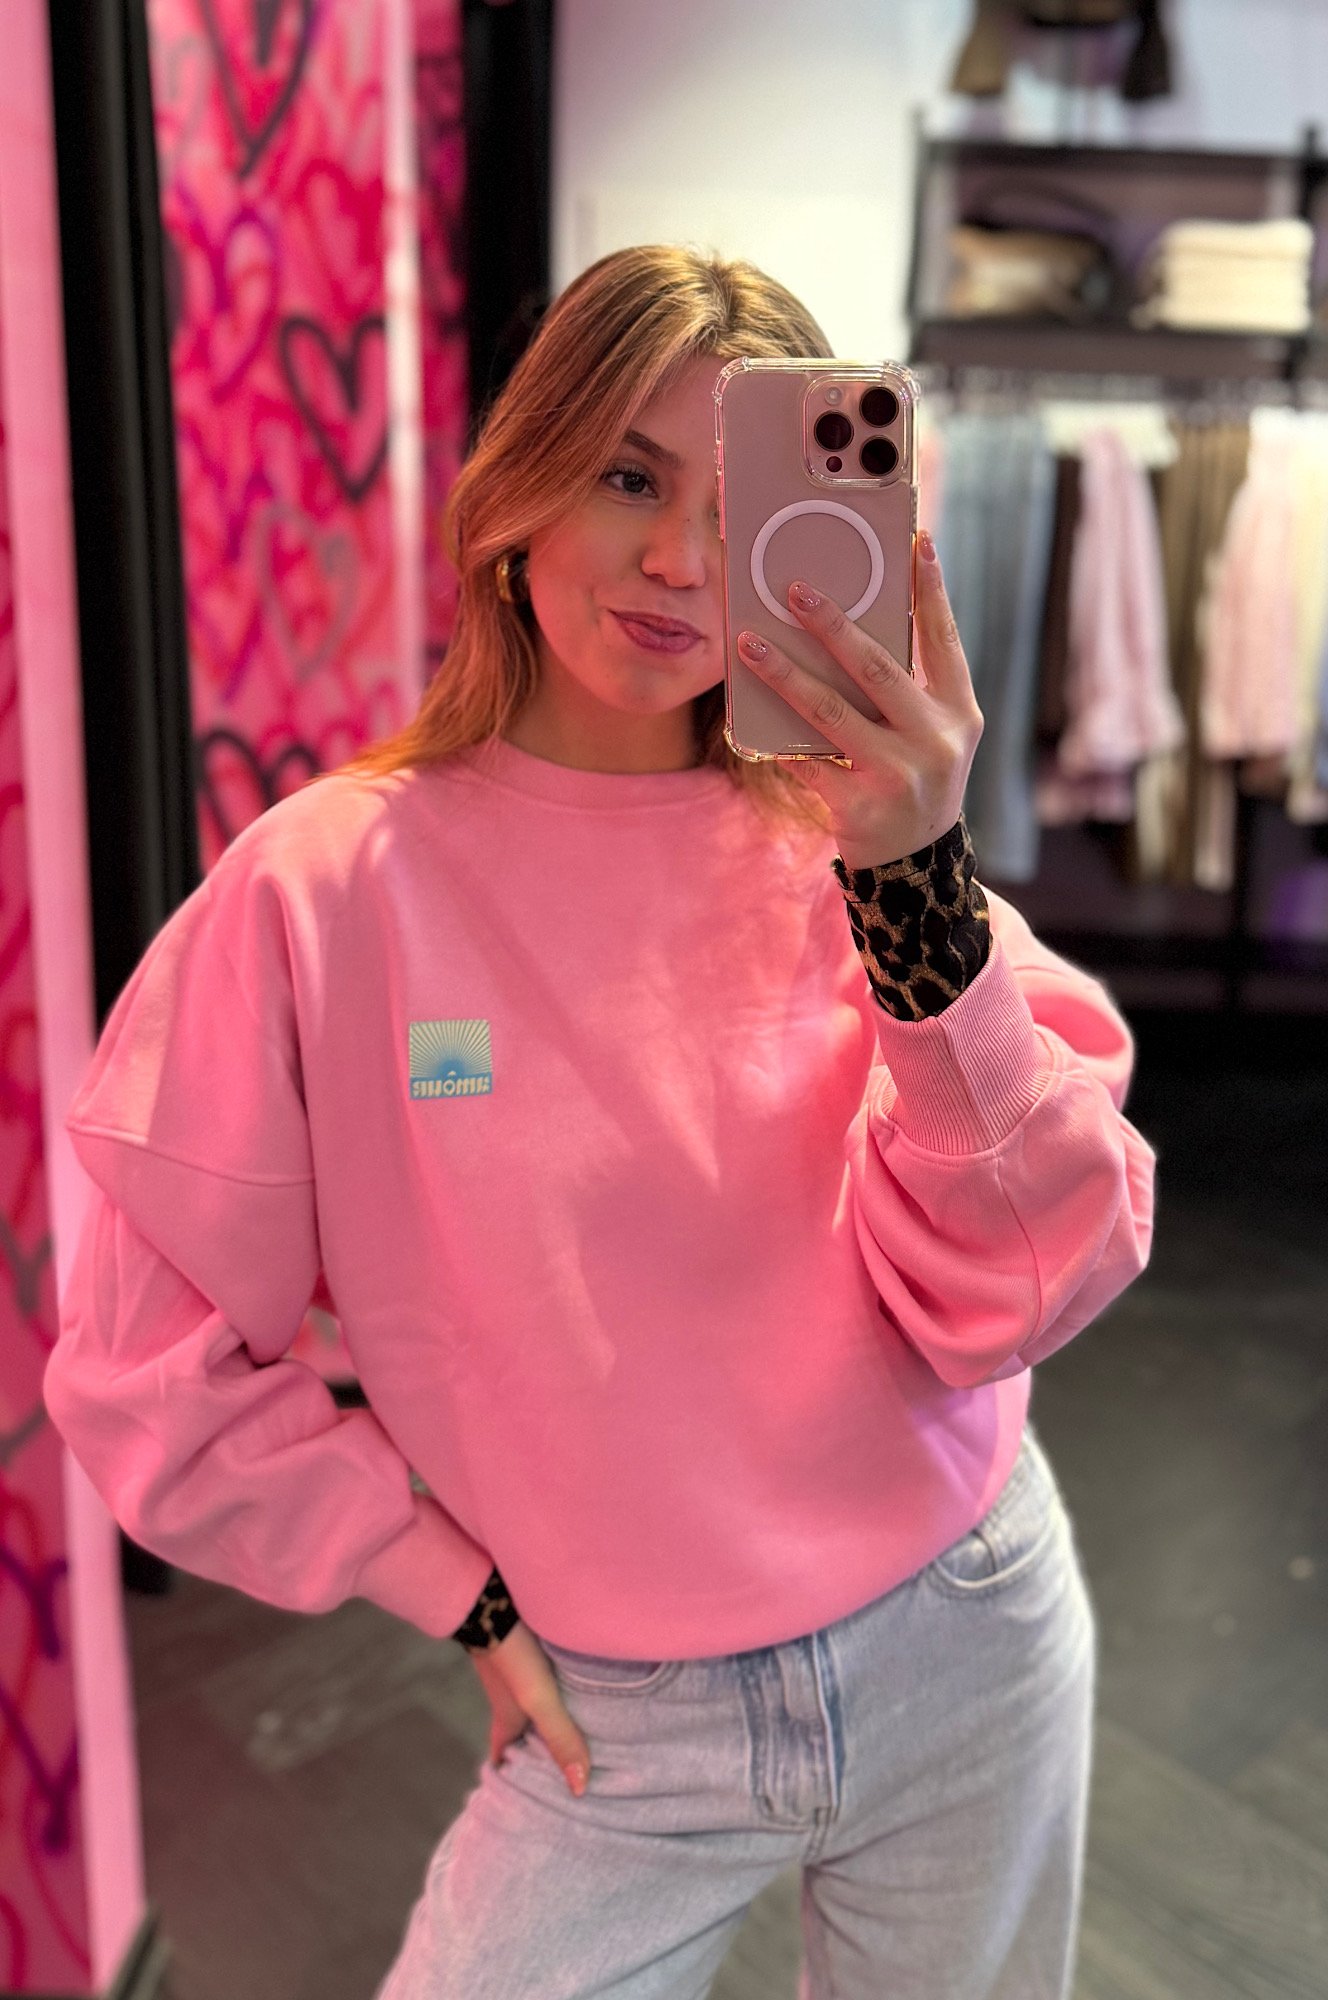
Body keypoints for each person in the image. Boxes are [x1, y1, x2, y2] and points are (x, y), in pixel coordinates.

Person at [44, 244, 1156, 1999]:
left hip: (969, 1633)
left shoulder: (851, 849)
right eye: (630, 478)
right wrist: (450, 1587)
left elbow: (1026, 1281)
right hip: (619, 1721)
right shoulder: (328, 892)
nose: (682, 562)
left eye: (740, 506)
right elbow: (145, 1364)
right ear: (522, 485)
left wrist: (919, 885)